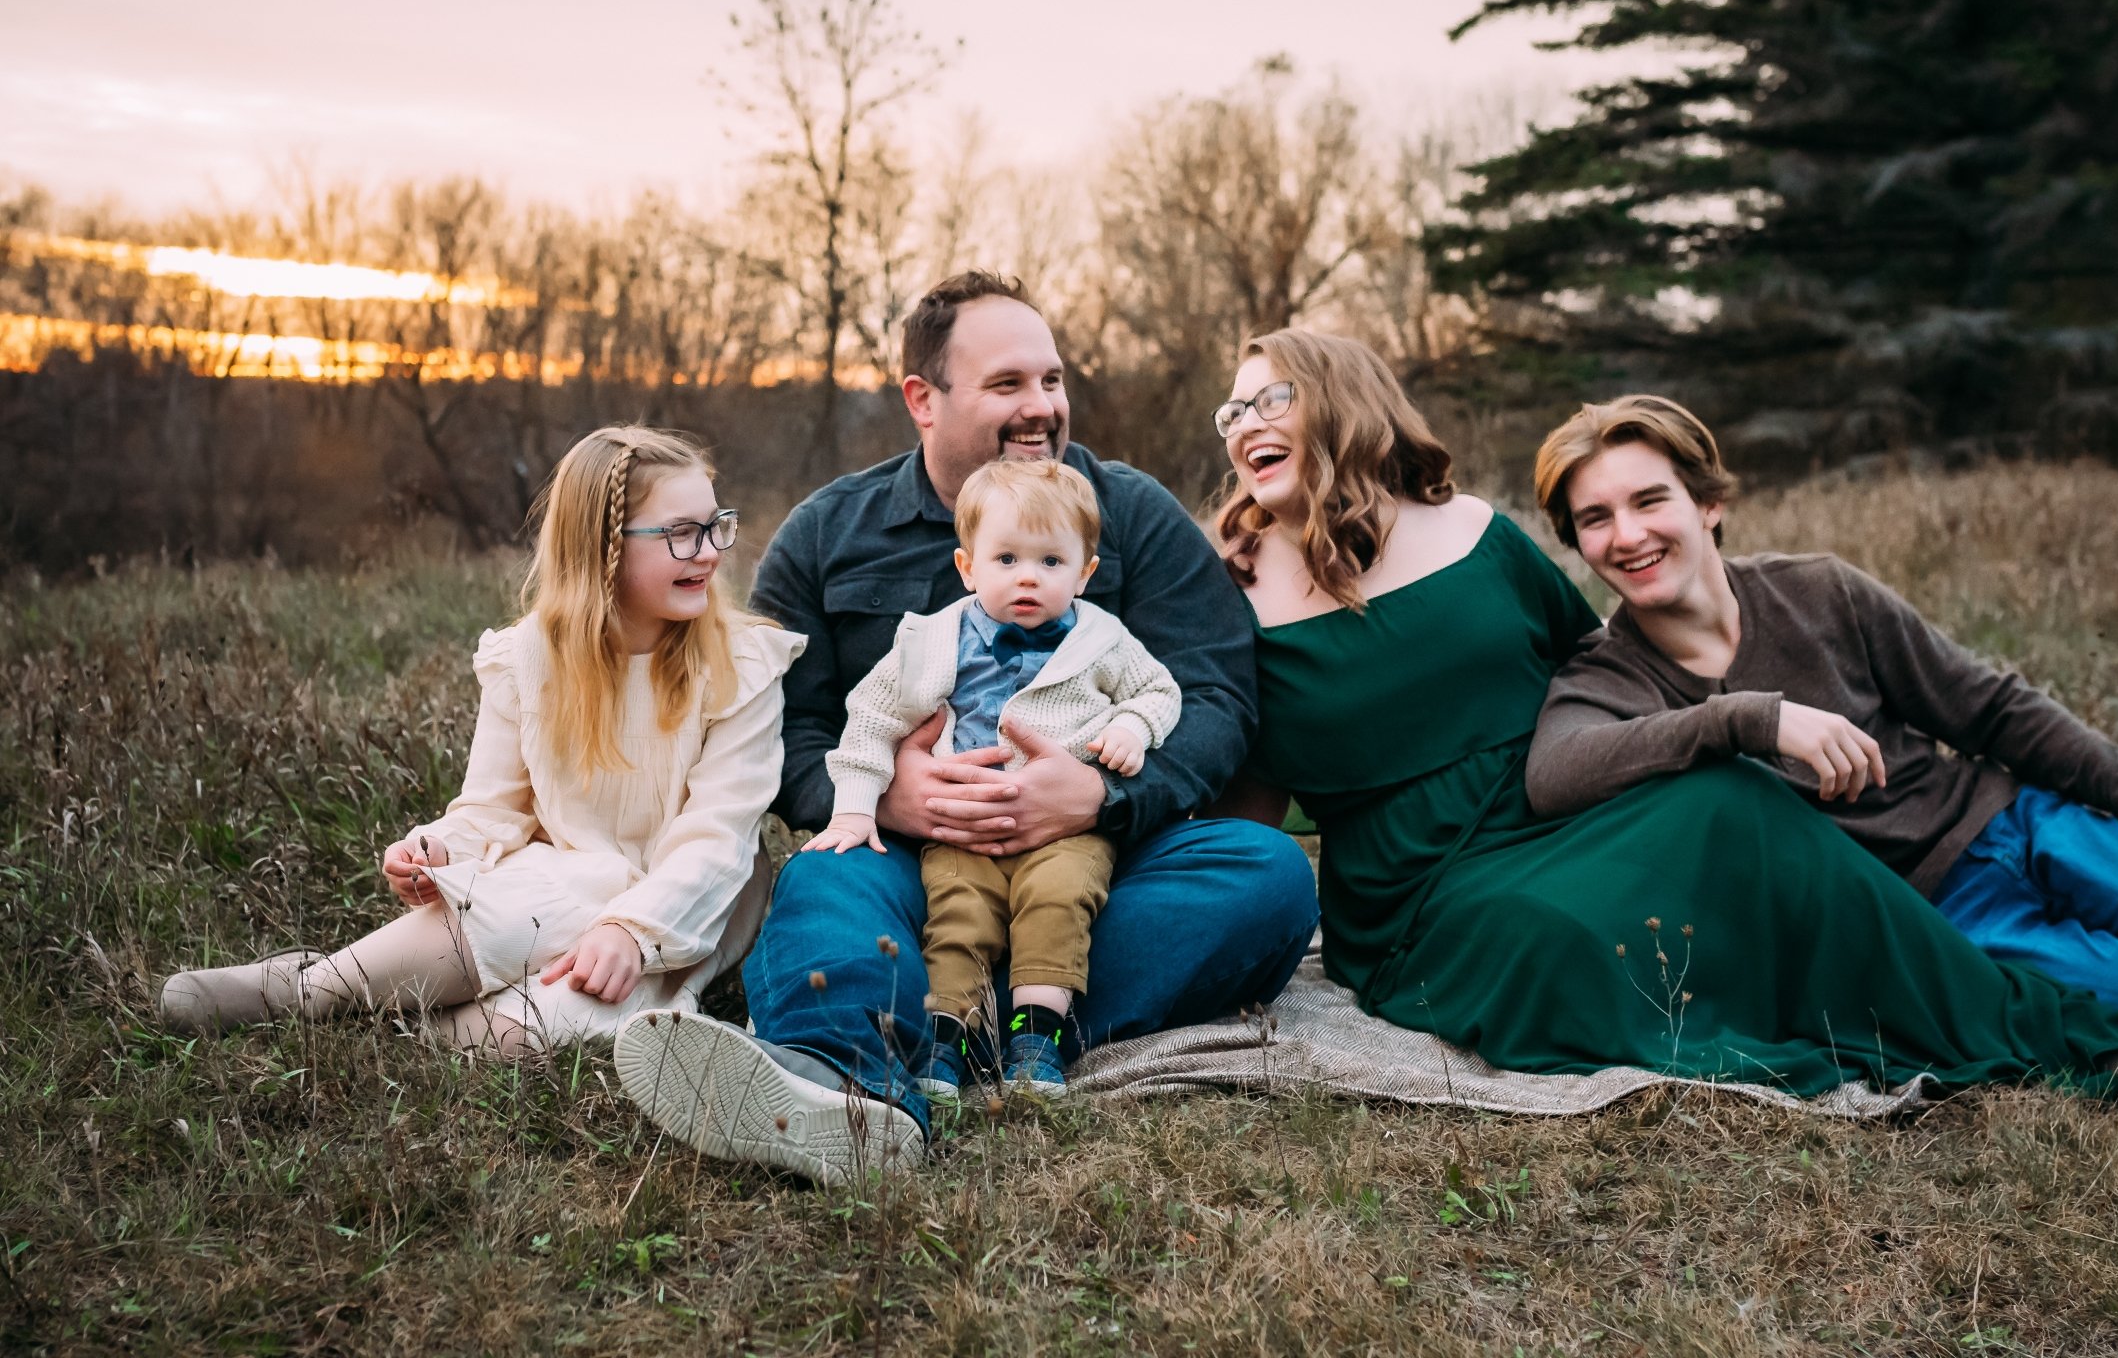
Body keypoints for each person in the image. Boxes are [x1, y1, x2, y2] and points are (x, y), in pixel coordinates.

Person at [1215, 329, 2118, 1098]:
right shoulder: (1235, 597)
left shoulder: (1473, 532)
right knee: (1563, 942)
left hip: (1564, 814)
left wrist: (1740, 714)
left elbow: (1591, 669)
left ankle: (2051, 1038)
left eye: (1268, 399)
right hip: (1422, 897)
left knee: (1736, 799)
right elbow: (1249, 798)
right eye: (1231, 410)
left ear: (1341, 400)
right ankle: (1852, 1040)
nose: (1239, 423)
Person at [612, 271, 1316, 1183]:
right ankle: (845, 1085)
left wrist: (1104, 792)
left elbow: (1218, 695)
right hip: (909, 862)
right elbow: (781, 727)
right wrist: (885, 798)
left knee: (1265, 878)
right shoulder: (829, 534)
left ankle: (968, 1023)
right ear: (923, 400)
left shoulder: (1130, 514)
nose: (1042, 409)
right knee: (823, 886)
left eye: (1052, 381)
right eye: (1008, 386)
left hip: (1098, 867)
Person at [1523, 394, 2118, 1046]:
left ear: (1706, 503)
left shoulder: (1817, 590)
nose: (1626, 535)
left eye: (1649, 500)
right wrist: (1746, 720)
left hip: (2021, 826)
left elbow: (1989, 706)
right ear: (1577, 543)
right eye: (1594, 519)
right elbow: (1555, 773)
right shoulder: (1611, 672)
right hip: (1942, 916)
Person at [157, 426, 800, 1054]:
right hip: (564, 874)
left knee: (529, 1028)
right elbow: (493, 806)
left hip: (685, 905)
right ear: (601, 546)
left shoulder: (740, 665)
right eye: (681, 535)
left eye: (717, 525)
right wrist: (440, 847)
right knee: (510, 908)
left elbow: (717, 837)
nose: (712, 552)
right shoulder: (528, 661)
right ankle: (307, 991)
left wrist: (631, 933)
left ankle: (382, 1020)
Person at [812, 457, 1181, 1101]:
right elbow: (869, 720)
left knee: (1060, 902)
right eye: (1006, 559)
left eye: (1050, 562)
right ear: (967, 566)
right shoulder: (930, 643)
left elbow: (1160, 691)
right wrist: (853, 810)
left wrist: (1129, 729)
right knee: (956, 917)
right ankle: (947, 1038)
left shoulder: (1104, 641)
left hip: (1066, 831)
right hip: (962, 827)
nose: (1028, 578)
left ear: (1086, 573)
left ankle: (1035, 1040)